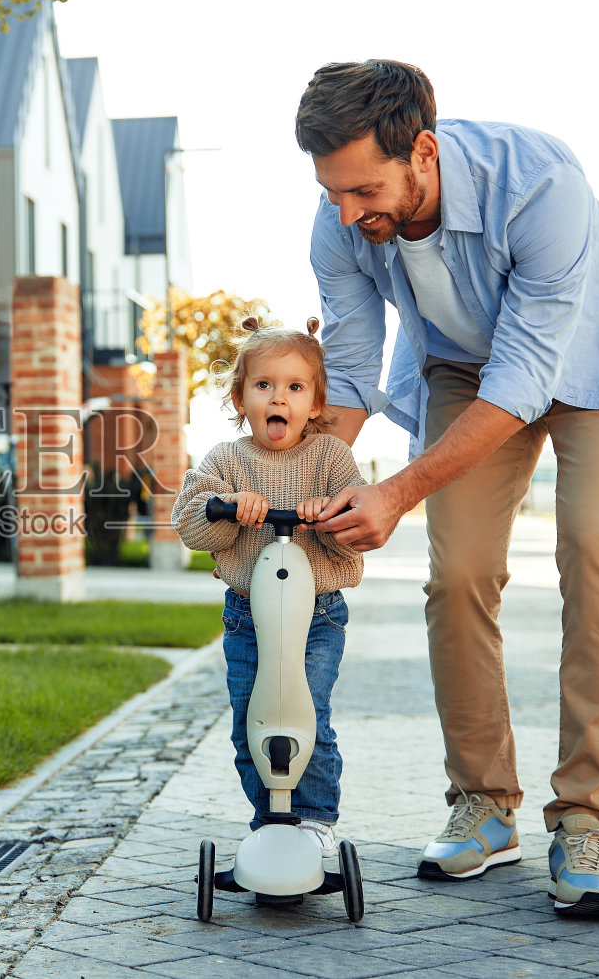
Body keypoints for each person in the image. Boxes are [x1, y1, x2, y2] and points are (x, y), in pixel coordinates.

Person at [294, 59, 599, 918]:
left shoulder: (541, 183)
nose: (349, 214)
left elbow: (528, 374)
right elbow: (352, 371)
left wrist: (395, 491)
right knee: (459, 570)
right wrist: (294, 487)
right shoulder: (341, 222)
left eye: (362, 189)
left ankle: (583, 817)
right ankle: (484, 804)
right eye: (332, 192)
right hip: (463, 366)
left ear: (422, 151)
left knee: (594, 547)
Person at [171, 317, 367, 863]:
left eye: (294, 387)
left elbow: (356, 536)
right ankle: (267, 821)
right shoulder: (227, 461)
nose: (278, 397)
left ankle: (316, 819)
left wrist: (327, 517)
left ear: (315, 401)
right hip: (247, 616)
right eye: (264, 386)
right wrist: (231, 509)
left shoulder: (331, 460)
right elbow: (189, 524)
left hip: (318, 615)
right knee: (250, 721)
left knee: (307, 714)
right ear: (241, 398)